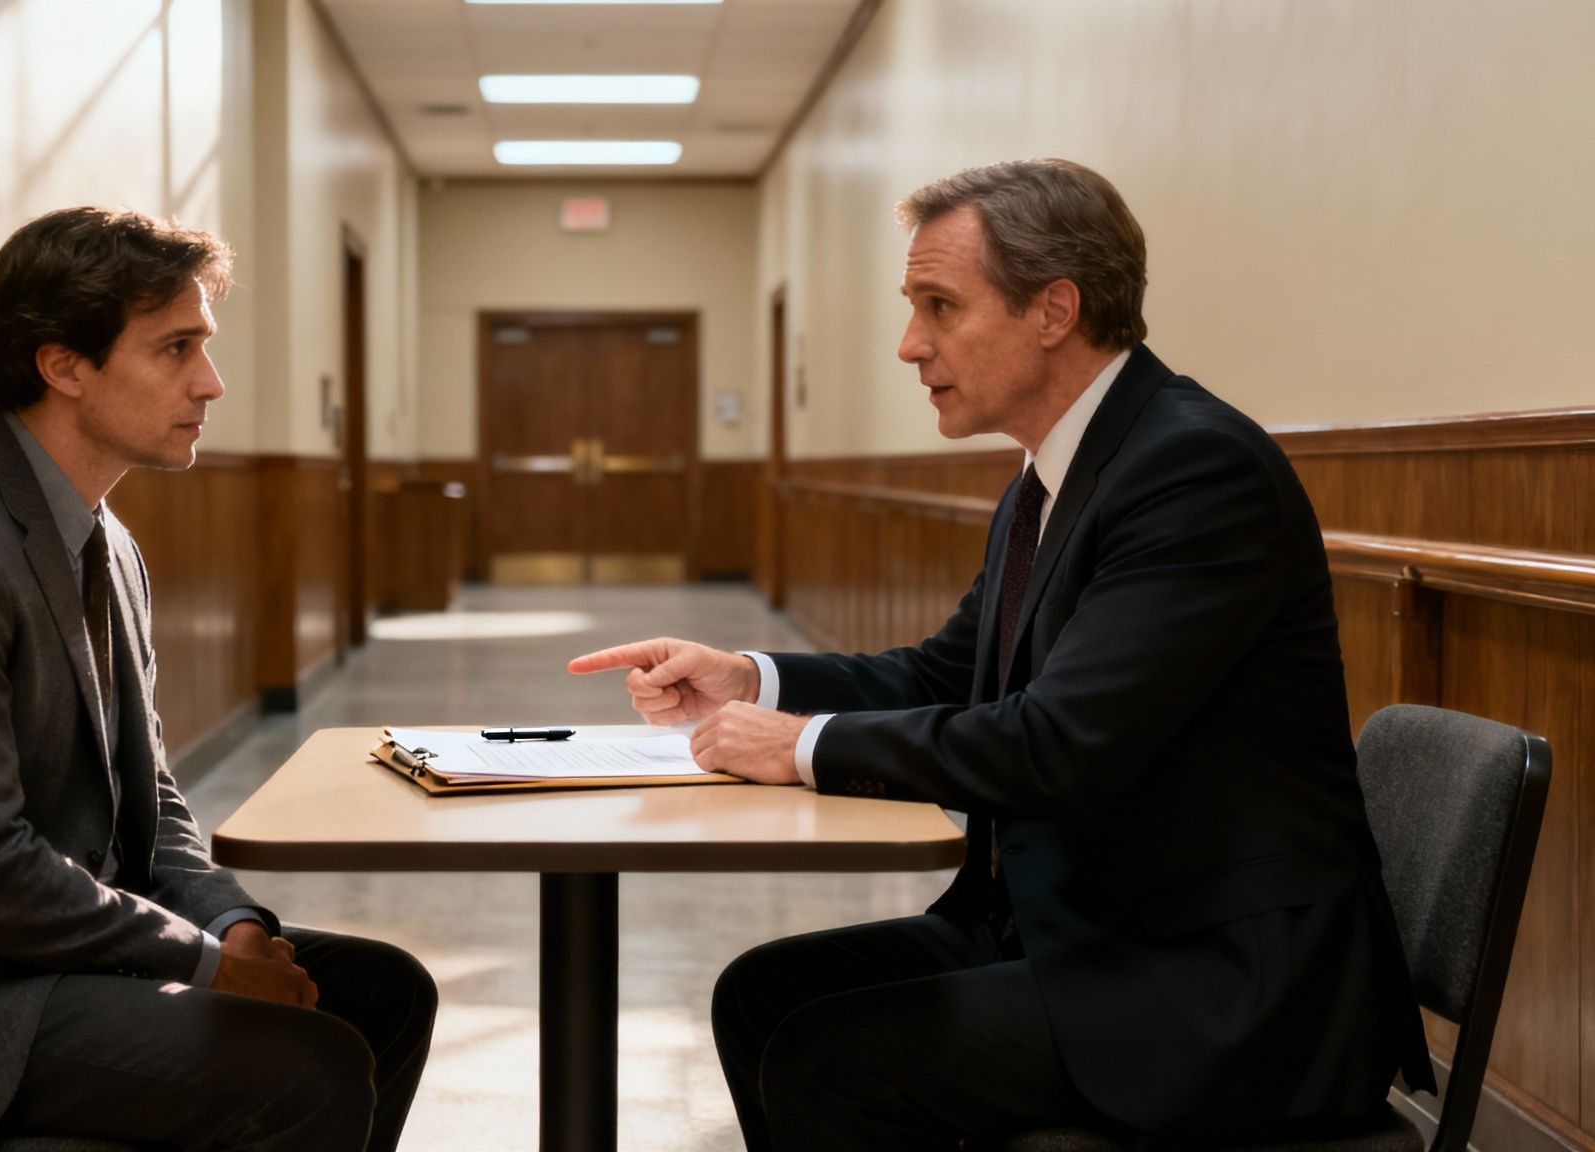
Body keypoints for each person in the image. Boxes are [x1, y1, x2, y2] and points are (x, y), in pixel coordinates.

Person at [570, 160, 1432, 1150]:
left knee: (833, 1061)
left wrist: (800, 744)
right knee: (762, 999)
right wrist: (751, 678)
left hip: (1217, 983)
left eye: (938, 307)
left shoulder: (1192, 469)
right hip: (1071, 928)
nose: (907, 345)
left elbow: (1059, 747)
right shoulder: (1050, 477)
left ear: (1052, 310)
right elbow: (942, 678)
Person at [0, 207, 435, 1152]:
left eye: (205, 343)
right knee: (299, 1067)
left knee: (382, 994)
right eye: (176, 348)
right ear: (63, 365)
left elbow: (149, 791)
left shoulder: (104, 539)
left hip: (41, 964)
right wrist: (202, 964)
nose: (212, 381)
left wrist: (230, 924)